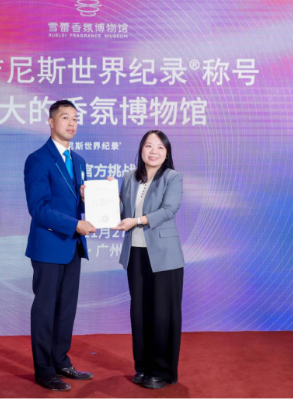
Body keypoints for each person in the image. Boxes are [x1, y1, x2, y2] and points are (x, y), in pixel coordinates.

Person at [24, 100, 96, 391]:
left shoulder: (79, 161)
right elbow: (38, 209)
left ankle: (61, 361)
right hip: (49, 245)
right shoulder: (38, 159)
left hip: (73, 246)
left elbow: (76, 204)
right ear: (51, 122)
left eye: (75, 118)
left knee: (66, 308)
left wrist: (95, 197)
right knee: (45, 309)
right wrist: (75, 225)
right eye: (65, 118)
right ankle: (44, 370)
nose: (71, 123)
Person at [112, 130, 185, 389]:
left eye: (160, 147)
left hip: (165, 256)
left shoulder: (172, 177)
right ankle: (142, 367)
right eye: (148, 146)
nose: (153, 151)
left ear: (167, 153)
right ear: (141, 150)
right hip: (135, 253)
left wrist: (138, 220)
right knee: (139, 312)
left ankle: (162, 371)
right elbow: (121, 212)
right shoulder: (128, 178)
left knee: (162, 313)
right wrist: (103, 196)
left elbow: (169, 210)